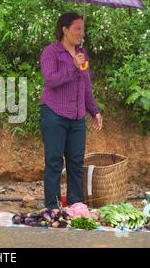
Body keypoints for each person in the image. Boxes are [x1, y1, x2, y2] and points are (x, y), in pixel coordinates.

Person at [39, 12, 103, 209]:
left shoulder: (82, 55)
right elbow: (50, 80)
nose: (81, 33)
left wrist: (94, 110)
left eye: (82, 29)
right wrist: (72, 67)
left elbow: (86, 85)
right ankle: (53, 206)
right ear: (65, 30)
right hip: (53, 114)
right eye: (77, 29)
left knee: (76, 163)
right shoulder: (51, 52)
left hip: (77, 117)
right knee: (55, 162)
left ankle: (76, 206)